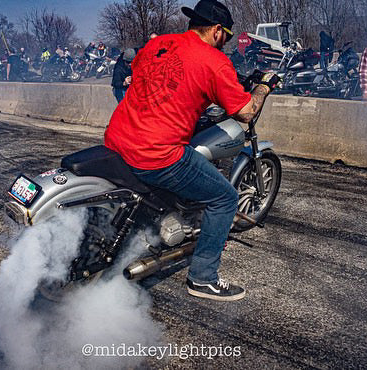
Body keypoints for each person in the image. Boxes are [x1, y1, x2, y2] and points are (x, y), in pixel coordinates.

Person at [104, 0, 277, 301]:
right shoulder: (214, 60)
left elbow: (160, 79)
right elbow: (247, 112)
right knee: (224, 197)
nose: (227, 41)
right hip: (155, 154)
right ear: (216, 31)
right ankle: (203, 278)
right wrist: (263, 86)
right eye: (227, 35)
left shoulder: (158, 43)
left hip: (118, 140)